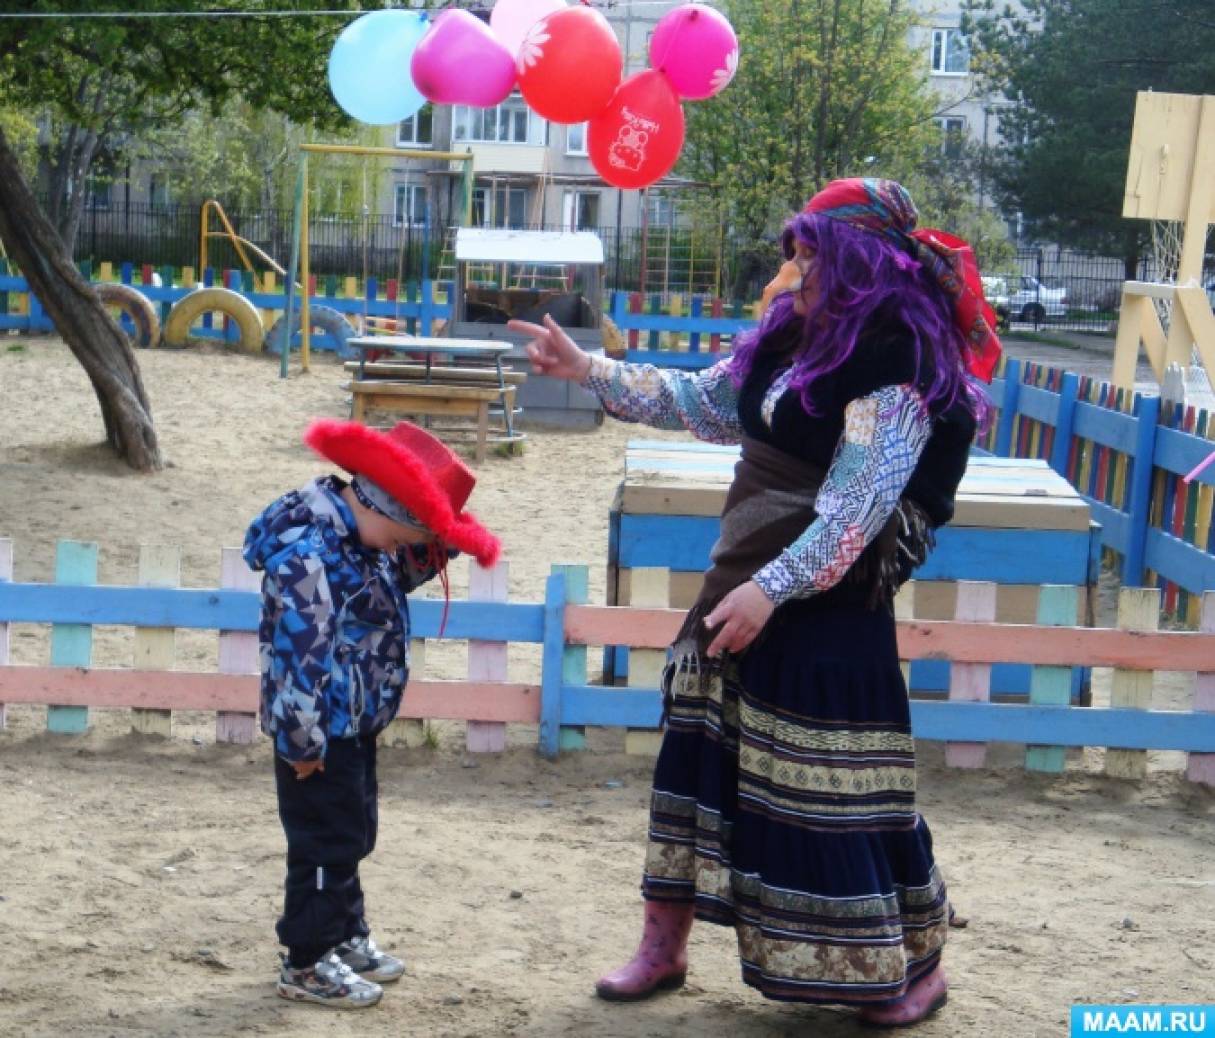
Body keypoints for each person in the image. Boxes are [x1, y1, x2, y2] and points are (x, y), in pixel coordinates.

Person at [508, 178, 1000, 1027]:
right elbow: (701, 405)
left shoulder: (898, 368)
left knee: (843, 790)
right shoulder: (789, 342)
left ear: (858, 265)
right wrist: (589, 369)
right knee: (698, 757)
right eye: (795, 251)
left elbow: (853, 516)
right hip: (746, 571)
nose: (794, 269)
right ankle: (662, 948)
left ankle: (918, 966)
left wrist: (769, 591)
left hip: (832, 599)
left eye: (811, 254)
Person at [243, 418, 501, 1009]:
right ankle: (306, 960)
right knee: (319, 844)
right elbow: (298, 659)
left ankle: (345, 933)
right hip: (316, 734)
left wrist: (444, 537)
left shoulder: (362, 539)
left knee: (350, 834)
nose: (404, 551)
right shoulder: (307, 557)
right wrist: (302, 744)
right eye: (408, 535)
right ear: (383, 508)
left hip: (352, 722)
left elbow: (387, 578)